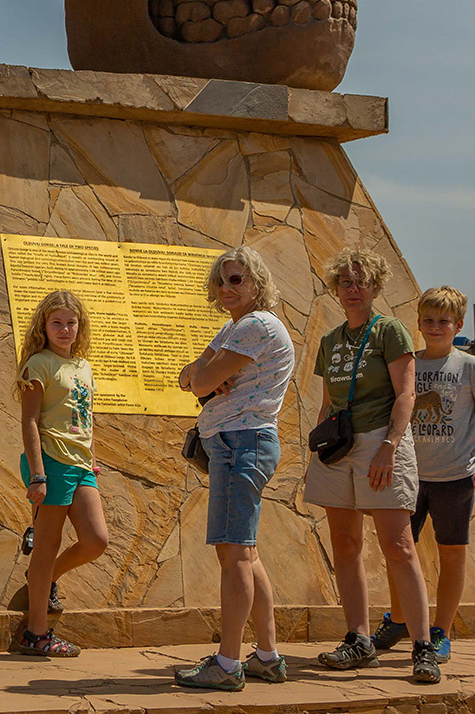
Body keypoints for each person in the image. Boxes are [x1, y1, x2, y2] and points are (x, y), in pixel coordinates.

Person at [303, 248, 442, 684]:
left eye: (361, 281)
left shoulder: (390, 331)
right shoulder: (329, 341)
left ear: (375, 286)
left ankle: (423, 646)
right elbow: (328, 400)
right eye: (345, 281)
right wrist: (320, 446)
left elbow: (406, 394)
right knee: (344, 545)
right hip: (339, 449)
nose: (353, 288)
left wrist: (390, 446)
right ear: (336, 288)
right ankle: (358, 639)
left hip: (381, 442)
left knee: (398, 546)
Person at [171, 247, 295, 691]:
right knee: (245, 552)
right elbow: (187, 375)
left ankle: (227, 664)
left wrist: (203, 373)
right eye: (222, 280)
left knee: (234, 554)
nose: (227, 288)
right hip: (237, 442)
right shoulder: (235, 327)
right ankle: (267, 657)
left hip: (242, 443)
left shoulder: (256, 325)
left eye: (238, 279)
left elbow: (199, 382)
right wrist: (200, 372)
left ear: (258, 282)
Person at [371, 285, 475, 665]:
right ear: (418, 323)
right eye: (428, 320)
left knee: (452, 554)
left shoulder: (471, 367)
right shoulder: (409, 363)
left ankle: (441, 630)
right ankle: (399, 621)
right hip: (409, 477)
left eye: (443, 321)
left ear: (457, 324)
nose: (434, 327)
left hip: (454, 478)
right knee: (399, 552)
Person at [9, 289, 110, 657]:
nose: (65, 329)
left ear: (79, 325)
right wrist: (37, 474)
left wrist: (93, 459)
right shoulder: (38, 364)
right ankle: (36, 635)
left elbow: (84, 418)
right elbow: (30, 421)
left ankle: (47, 579)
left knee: (96, 540)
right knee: (47, 546)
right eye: (57, 323)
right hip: (50, 463)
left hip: (82, 466)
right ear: (44, 326)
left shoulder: (83, 366)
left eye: (71, 322)